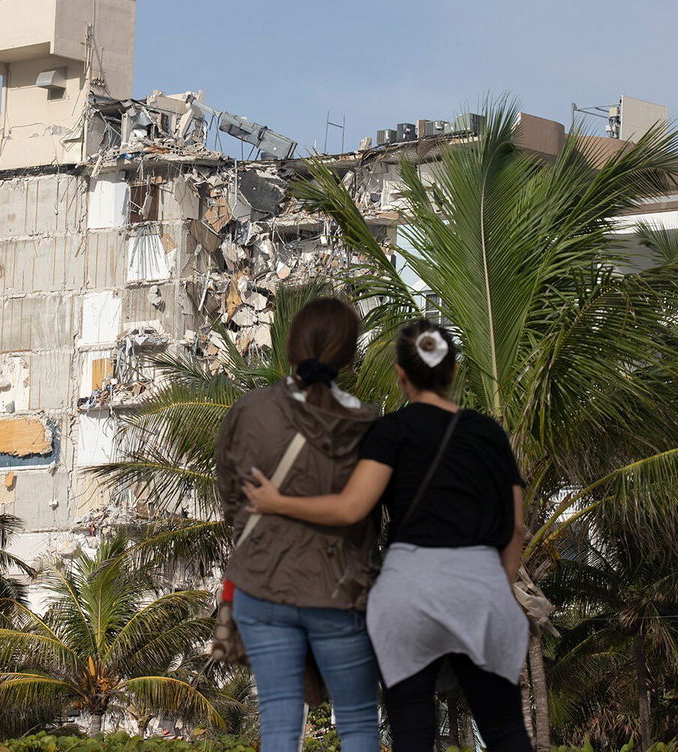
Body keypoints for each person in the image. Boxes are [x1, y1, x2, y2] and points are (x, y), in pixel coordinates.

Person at [244, 319, 531, 752]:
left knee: (412, 735)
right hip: (482, 587)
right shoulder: (488, 433)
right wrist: (498, 584)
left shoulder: (389, 432)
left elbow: (350, 510)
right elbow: (515, 525)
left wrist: (276, 503)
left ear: (401, 375)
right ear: (453, 371)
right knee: (506, 731)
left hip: (410, 592)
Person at [216, 296, 381, 752]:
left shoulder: (249, 410)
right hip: (338, 589)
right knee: (358, 722)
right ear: (348, 355)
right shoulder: (365, 424)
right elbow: (370, 510)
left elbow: (231, 496)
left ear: (290, 345)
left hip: (261, 582)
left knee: (279, 723)